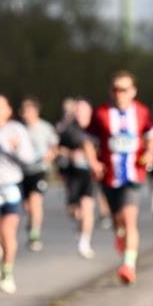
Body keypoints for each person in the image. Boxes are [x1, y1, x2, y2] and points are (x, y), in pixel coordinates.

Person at [83, 70, 153, 285]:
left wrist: (150, 152)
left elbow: (151, 135)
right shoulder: (102, 114)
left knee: (129, 218)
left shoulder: (142, 113)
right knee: (118, 221)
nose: (119, 94)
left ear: (133, 91)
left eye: (124, 89)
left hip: (134, 174)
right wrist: (93, 162)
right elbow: (87, 139)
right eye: (115, 89)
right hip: (109, 176)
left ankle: (128, 265)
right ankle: (120, 235)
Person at [0, 95, 35, 294]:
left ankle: (7, 273)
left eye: (0, 107)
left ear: (8, 111)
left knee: (8, 232)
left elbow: (30, 158)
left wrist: (16, 148)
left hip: (11, 186)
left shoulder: (16, 130)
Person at [58, 99, 97, 259]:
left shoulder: (96, 129)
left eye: (84, 112)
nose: (81, 115)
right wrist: (70, 154)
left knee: (88, 208)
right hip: (73, 174)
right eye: (78, 112)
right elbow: (58, 149)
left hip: (90, 175)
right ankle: (81, 226)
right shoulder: (68, 130)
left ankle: (84, 243)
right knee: (73, 211)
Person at [20, 97, 58, 251]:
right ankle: (32, 221)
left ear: (36, 111)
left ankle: (35, 233)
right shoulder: (19, 128)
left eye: (29, 110)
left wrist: (50, 154)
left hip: (39, 170)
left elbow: (55, 146)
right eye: (24, 111)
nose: (26, 114)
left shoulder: (45, 128)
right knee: (27, 205)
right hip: (22, 171)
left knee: (36, 201)